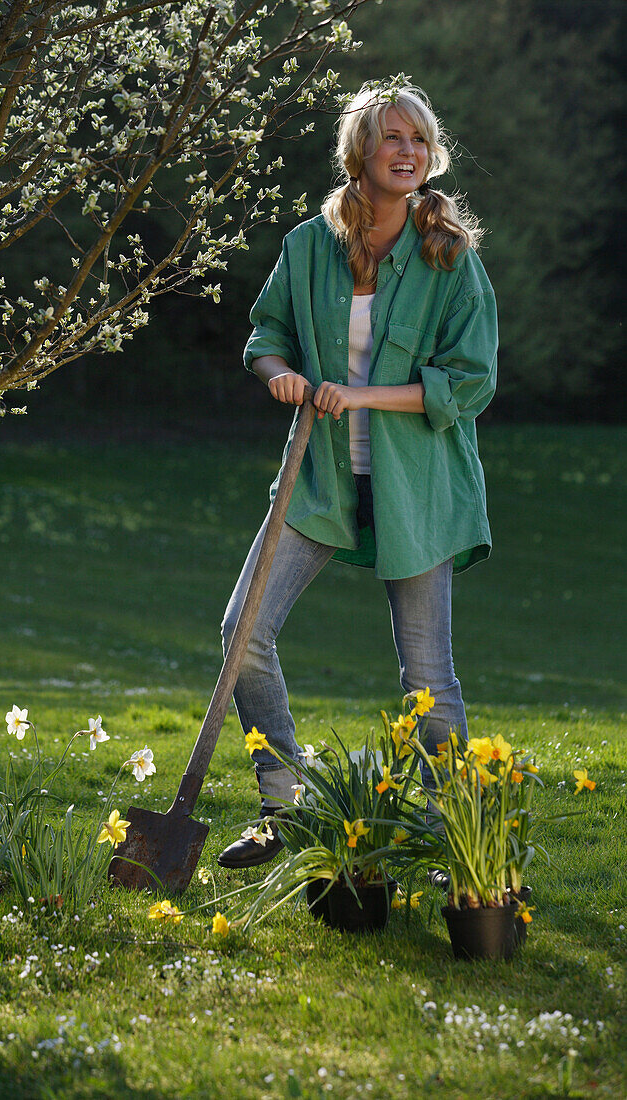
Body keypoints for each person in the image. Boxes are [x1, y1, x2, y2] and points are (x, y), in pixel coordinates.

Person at [217, 77, 498, 869]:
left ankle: (457, 835)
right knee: (243, 632)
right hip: (321, 478)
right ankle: (283, 805)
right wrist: (278, 372)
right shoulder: (308, 245)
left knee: (426, 676)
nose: (407, 153)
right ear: (358, 153)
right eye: (391, 139)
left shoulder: (449, 255)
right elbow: (264, 335)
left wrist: (361, 392)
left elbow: (471, 381)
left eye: (418, 140)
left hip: (419, 486)